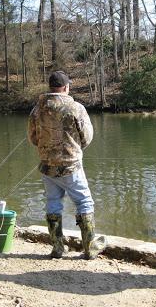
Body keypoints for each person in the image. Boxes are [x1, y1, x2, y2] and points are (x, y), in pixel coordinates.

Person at [27, 71, 106, 260]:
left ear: (51, 87)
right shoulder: (76, 108)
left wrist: (48, 150)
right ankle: (89, 249)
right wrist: (74, 148)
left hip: (47, 166)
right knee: (84, 202)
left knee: (53, 203)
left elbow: (33, 138)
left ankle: (57, 248)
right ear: (66, 87)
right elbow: (86, 137)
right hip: (71, 166)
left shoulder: (37, 109)